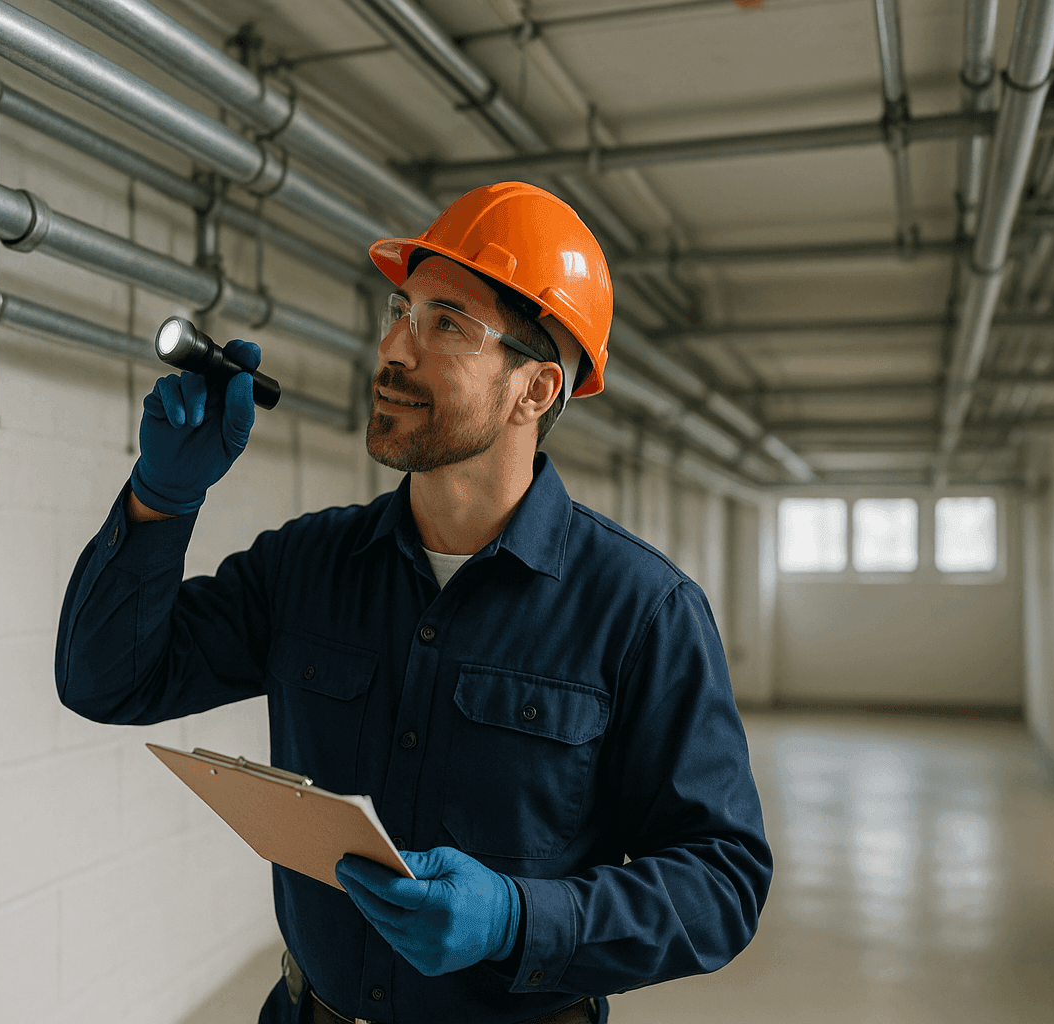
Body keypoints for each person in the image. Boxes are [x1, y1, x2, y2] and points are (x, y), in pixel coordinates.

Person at [56, 181, 771, 1024]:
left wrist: (516, 919)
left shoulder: (642, 610)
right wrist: (159, 501)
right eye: (402, 310)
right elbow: (107, 681)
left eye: (447, 326)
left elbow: (720, 884)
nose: (395, 348)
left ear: (535, 392)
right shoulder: (309, 564)